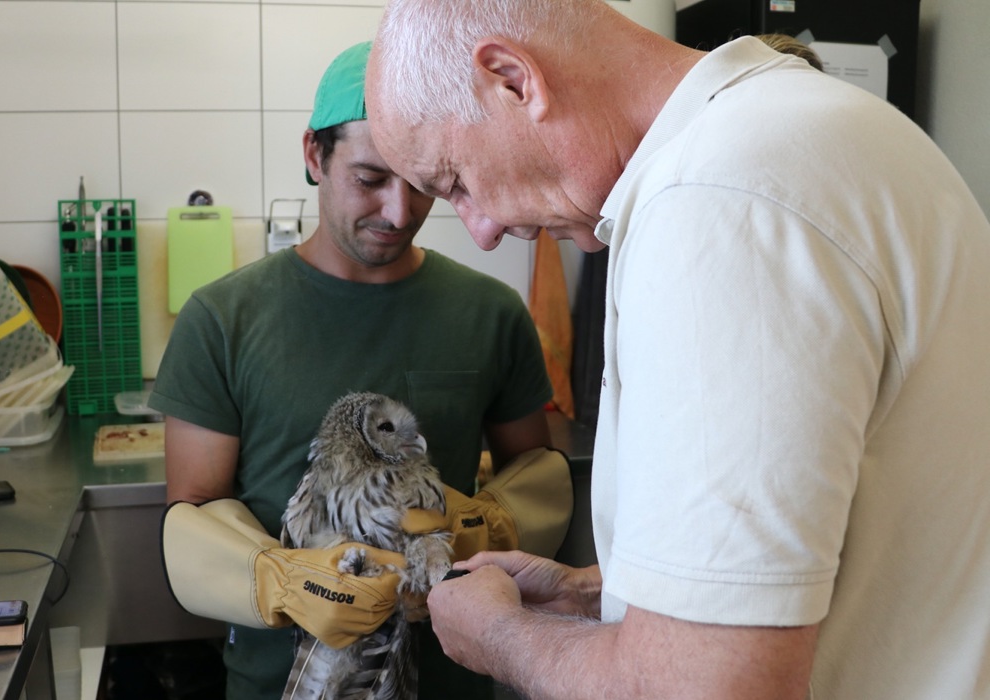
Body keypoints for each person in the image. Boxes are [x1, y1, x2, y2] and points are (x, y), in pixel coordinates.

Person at [366, 1, 990, 698]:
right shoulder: (824, 127)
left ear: (513, 80)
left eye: (455, 182)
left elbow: (701, 689)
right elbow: (866, 537)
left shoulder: (716, 199)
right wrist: (600, 594)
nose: (480, 230)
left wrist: (499, 639)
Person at [153, 41, 573, 700]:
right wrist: (284, 580)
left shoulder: (489, 313)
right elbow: (196, 513)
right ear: (314, 156)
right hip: (282, 682)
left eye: (421, 183)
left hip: (450, 676)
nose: (399, 213)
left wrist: (484, 524)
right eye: (371, 179)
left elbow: (539, 478)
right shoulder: (222, 319)